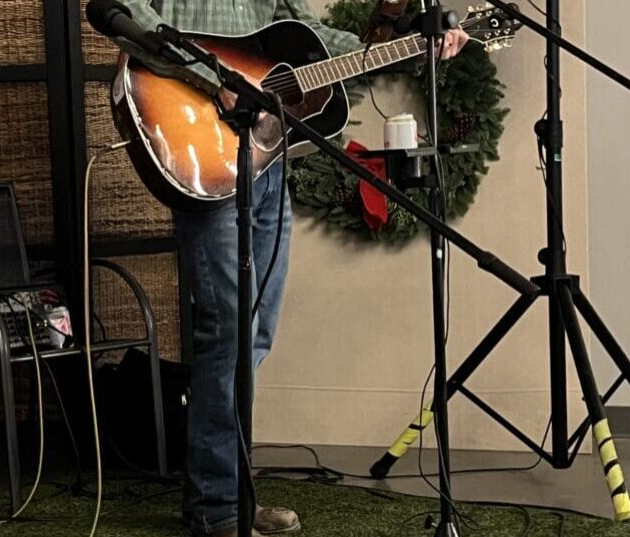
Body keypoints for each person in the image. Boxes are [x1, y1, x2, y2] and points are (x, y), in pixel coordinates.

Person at [119, 1, 468, 535]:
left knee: (255, 332)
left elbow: (313, 38)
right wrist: (213, 76)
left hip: (265, 158)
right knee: (229, 331)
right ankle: (215, 511)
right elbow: (123, 13)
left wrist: (407, 50)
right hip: (202, 143)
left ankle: (231, 494)